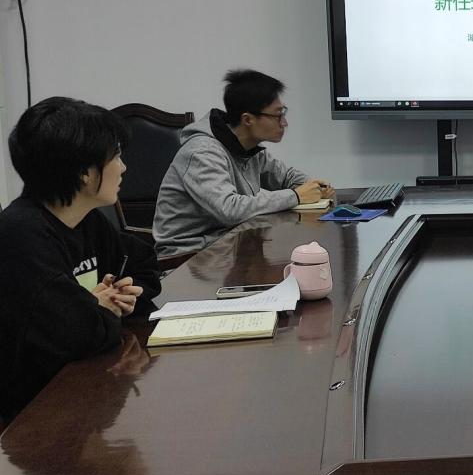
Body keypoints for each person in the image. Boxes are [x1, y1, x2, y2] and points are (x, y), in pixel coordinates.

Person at [0, 97, 162, 423]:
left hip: (86, 387)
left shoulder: (86, 219)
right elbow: (78, 335)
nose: (123, 167)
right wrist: (95, 308)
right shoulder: (21, 235)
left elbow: (144, 265)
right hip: (34, 414)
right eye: (115, 156)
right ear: (84, 173)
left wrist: (123, 296)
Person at [153, 69, 335, 257]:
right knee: (299, 262)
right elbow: (229, 209)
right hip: (188, 258)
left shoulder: (249, 148)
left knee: (303, 258)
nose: (284, 123)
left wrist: (314, 187)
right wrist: (295, 196)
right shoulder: (202, 152)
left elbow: (287, 177)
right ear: (248, 119)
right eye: (277, 115)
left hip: (228, 246)